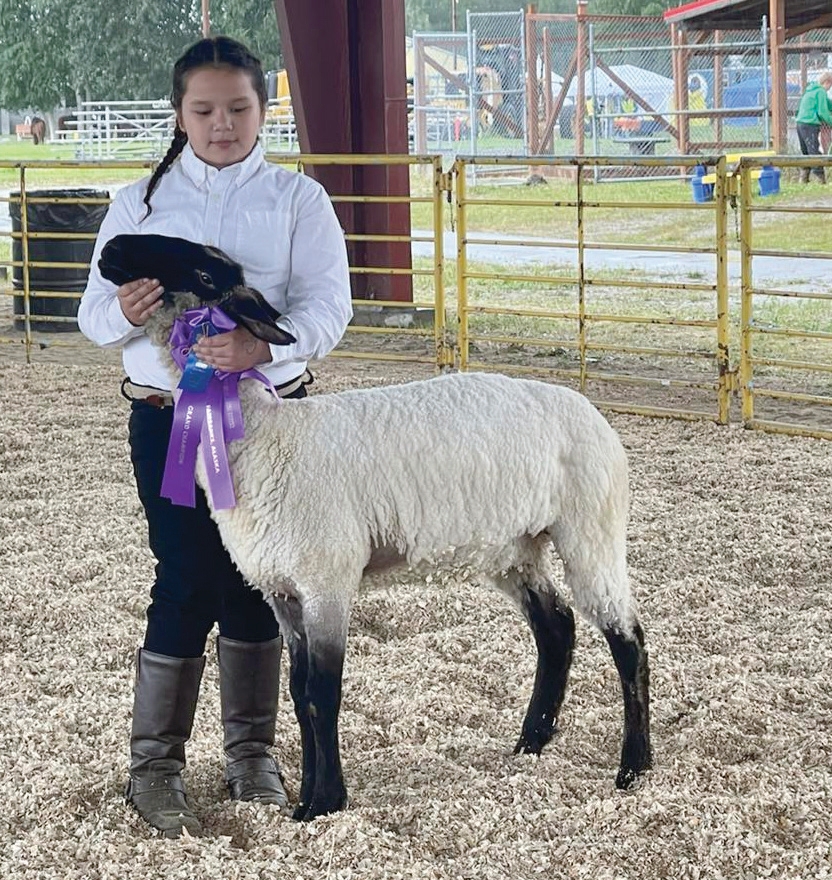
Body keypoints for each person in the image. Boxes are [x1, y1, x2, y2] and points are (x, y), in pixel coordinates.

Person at [78, 35, 352, 838]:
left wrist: (264, 347)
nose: (222, 125)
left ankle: (252, 758)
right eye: (204, 110)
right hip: (168, 423)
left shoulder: (301, 200)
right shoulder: (138, 204)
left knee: (261, 583)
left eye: (238, 108)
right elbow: (90, 316)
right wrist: (121, 314)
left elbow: (330, 307)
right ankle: (155, 766)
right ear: (179, 114)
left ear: (265, 110)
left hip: (275, 426)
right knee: (184, 577)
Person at [795, 70, 832, 183]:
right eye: (830, 85)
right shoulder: (821, 92)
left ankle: (803, 178)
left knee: (806, 151)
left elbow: (828, 104)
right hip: (810, 124)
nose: (829, 89)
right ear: (827, 82)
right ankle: (819, 178)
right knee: (814, 151)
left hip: (800, 123)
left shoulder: (811, 90)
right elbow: (823, 112)